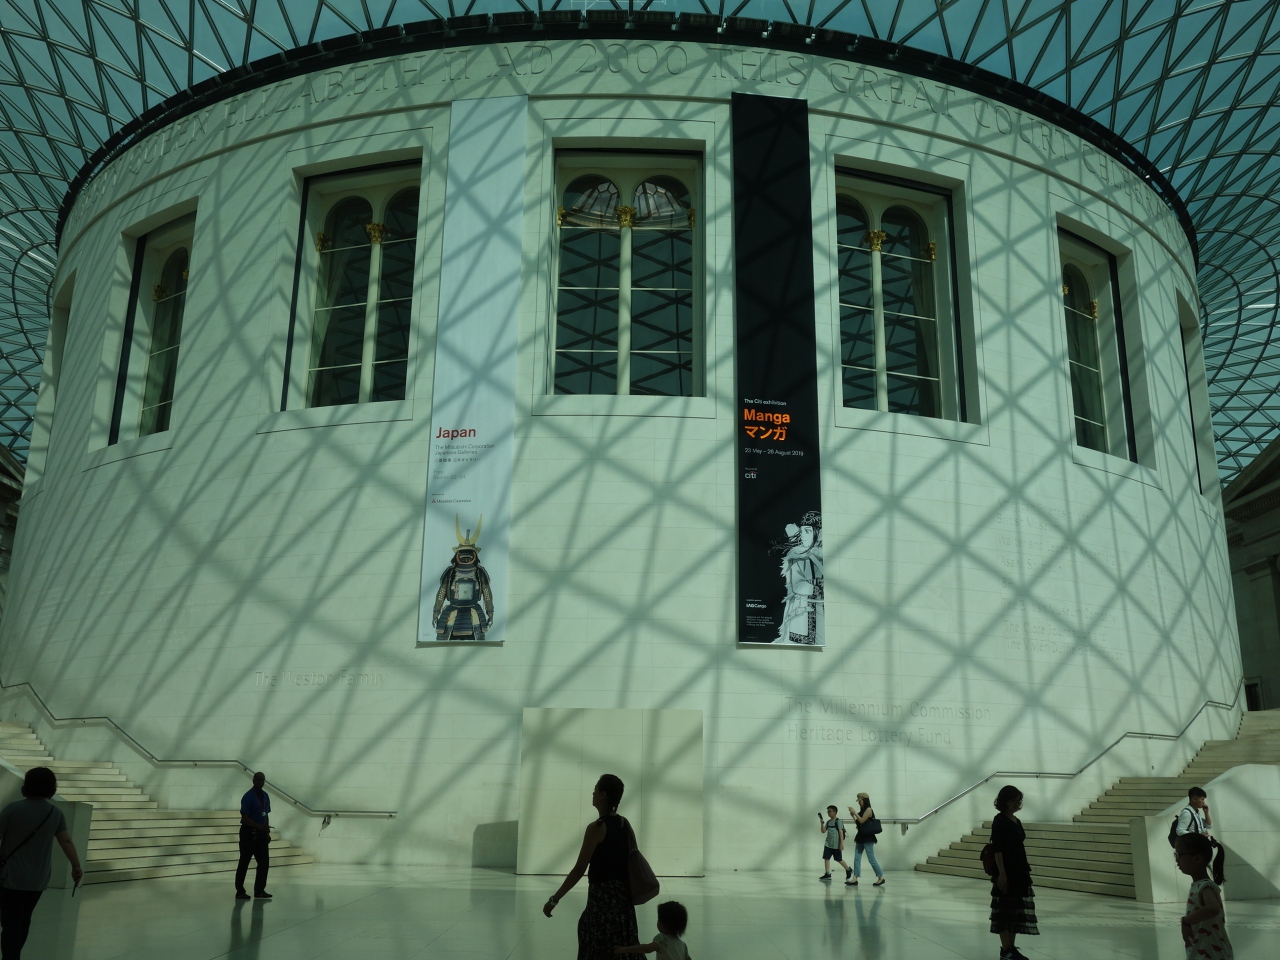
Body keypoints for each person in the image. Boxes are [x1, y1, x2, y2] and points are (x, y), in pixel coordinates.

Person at [542, 774, 639, 960]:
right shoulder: (625, 824)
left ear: (603, 795)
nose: (592, 793)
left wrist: (554, 899)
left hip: (602, 902)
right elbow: (632, 859)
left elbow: (579, 869)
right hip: (623, 903)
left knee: (597, 947)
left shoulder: (597, 827)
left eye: (595, 790)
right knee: (621, 950)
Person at [0, 767, 84, 960]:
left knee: (10, 923)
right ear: (51, 787)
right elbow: (66, 841)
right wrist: (76, 866)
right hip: (37, 878)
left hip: (10, 876)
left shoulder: (13, 809)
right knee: (24, 919)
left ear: (27, 785)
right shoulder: (55, 813)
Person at [989, 785, 1037, 960]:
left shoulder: (1016, 820)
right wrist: (1002, 873)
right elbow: (997, 849)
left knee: (1014, 910)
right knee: (1004, 910)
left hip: (1019, 870)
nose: (1018, 804)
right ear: (1006, 801)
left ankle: (1011, 948)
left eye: (1019, 800)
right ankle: (1006, 948)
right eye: (1015, 800)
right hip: (1006, 871)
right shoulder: (999, 820)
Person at [1175, 832, 1232, 959]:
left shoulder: (1205, 886)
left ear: (1197, 859)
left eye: (1179, 855)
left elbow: (1212, 908)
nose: (1176, 859)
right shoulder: (1199, 885)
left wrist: (1186, 920)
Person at [235, 771, 272, 900]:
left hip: (261, 834)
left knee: (264, 863)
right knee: (244, 862)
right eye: (258, 780)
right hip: (248, 833)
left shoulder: (265, 796)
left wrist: (266, 831)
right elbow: (244, 817)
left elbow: (266, 814)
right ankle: (240, 891)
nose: (260, 782)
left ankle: (259, 890)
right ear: (253, 781)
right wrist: (259, 827)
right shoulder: (248, 797)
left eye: (262, 780)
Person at [615, 900, 691, 959]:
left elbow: (647, 949)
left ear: (663, 923)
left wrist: (625, 949)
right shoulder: (682, 945)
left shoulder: (662, 939)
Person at [847, 793, 885, 886]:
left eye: (860, 801)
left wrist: (855, 813)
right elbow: (858, 824)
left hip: (868, 837)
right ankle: (855, 878)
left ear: (864, 800)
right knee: (857, 858)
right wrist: (853, 816)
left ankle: (880, 877)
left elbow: (861, 820)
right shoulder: (862, 811)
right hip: (861, 836)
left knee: (871, 859)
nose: (859, 803)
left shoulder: (868, 810)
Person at [818, 805, 853, 883]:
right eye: (828, 811)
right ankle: (827, 874)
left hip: (836, 844)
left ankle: (848, 870)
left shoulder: (838, 821)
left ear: (835, 812)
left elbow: (841, 832)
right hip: (828, 844)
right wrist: (822, 824)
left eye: (830, 811)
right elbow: (823, 831)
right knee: (826, 858)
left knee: (838, 859)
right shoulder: (828, 822)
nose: (828, 813)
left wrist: (841, 843)